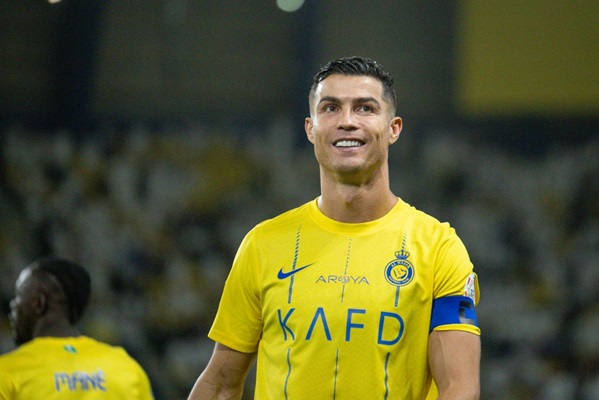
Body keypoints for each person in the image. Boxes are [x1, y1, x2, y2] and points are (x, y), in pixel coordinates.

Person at [188, 56, 481, 399]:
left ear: (393, 129)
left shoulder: (439, 248)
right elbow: (221, 385)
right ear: (311, 129)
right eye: (330, 108)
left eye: (365, 108)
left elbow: (459, 389)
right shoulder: (262, 245)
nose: (346, 122)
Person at [0, 256, 154, 399]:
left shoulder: (7, 372)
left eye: (19, 296)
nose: (13, 305)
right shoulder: (127, 368)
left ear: (39, 303)